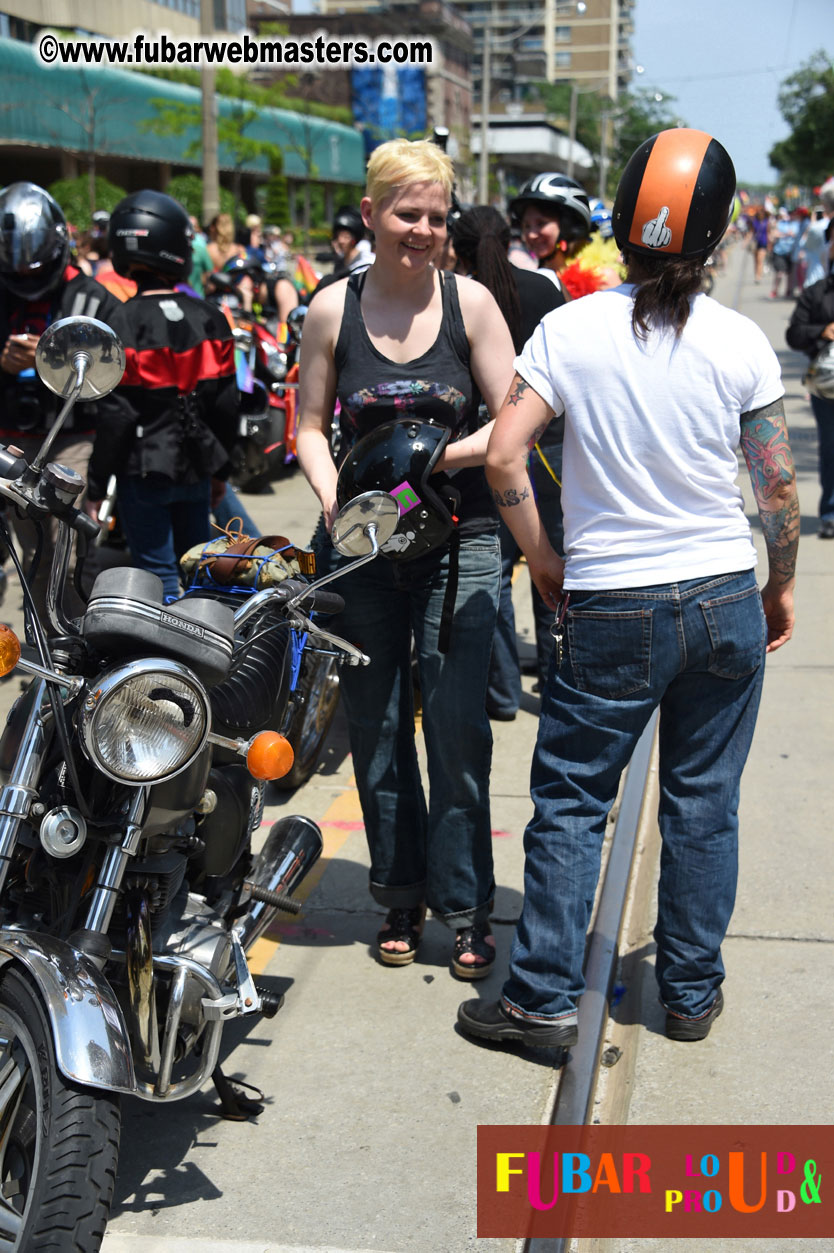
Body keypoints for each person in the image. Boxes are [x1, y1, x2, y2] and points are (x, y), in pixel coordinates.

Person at [457, 128, 799, 1050]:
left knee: (573, 801)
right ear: (721, 234)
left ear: (619, 225)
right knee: (703, 798)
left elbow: (502, 452)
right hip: (723, 592)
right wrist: (780, 588)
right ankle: (689, 992)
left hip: (610, 601)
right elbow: (774, 488)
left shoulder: (568, 330)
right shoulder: (740, 340)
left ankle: (539, 999)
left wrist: (541, 556)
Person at [296, 138, 515, 977]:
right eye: (405, 213)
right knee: (379, 728)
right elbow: (310, 425)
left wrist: (439, 461)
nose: (422, 229)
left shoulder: (473, 307)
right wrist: (334, 498)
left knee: (458, 732)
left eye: (434, 215)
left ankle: (466, 906)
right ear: (371, 215)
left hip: (461, 542)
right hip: (360, 552)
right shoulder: (330, 310)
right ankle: (398, 892)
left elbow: (515, 415)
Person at [86, 191, 238, 600]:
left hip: (143, 471)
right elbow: (226, 405)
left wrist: (97, 486)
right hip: (198, 467)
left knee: (157, 576)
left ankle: (166, 659)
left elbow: (115, 416)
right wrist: (221, 471)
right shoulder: (210, 318)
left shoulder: (119, 321)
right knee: (197, 570)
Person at [449, 204, 565, 720]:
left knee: (492, 575)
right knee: (551, 568)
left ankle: (500, 693)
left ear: (457, 247)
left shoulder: (458, 299)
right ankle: (558, 687)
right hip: (552, 451)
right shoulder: (546, 290)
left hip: (487, 450)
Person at [0, 181, 127, 618]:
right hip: (10, 441)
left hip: (73, 437)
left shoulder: (94, 300)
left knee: (64, 554)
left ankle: (64, 650)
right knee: (30, 551)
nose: (27, 281)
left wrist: (55, 361)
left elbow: (116, 391)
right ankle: (40, 650)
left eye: (36, 270)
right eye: (18, 273)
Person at [786, 218, 834, 538]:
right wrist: (823, 332)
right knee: (831, 448)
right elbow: (794, 334)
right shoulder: (817, 293)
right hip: (828, 387)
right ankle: (830, 512)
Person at [508, 173, 593, 300]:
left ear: (567, 227)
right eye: (526, 226)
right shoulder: (528, 280)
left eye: (541, 223)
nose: (531, 234)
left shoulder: (601, 276)